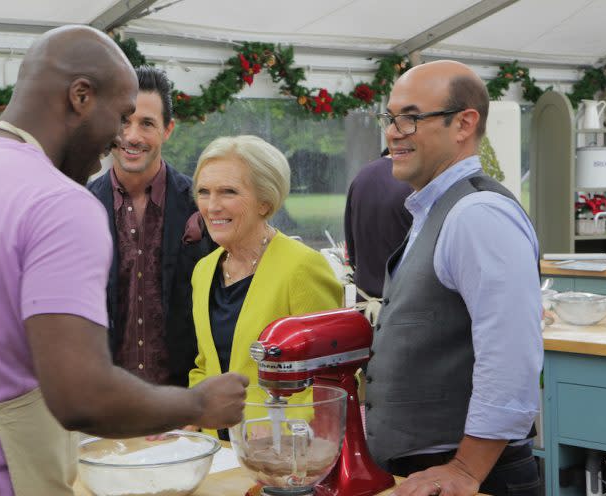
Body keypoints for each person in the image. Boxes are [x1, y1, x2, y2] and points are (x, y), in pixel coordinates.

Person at [0, 26, 247, 496]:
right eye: (119, 116)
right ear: (80, 97)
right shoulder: (60, 201)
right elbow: (82, 395)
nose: (119, 137)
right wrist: (198, 405)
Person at [365, 60, 543, 496]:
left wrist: (466, 468)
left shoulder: (478, 214)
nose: (393, 131)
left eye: (410, 117)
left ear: (463, 124)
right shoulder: (439, 210)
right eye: (390, 118)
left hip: (475, 478)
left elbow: (511, 355)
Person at [188, 135, 343, 438]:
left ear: (265, 202)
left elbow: (331, 378)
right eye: (203, 192)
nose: (212, 206)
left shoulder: (302, 267)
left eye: (228, 192)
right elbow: (205, 366)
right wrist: (190, 414)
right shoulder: (203, 271)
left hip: (284, 452)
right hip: (216, 454)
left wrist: (279, 430)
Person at [88, 66, 213, 386]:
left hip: (184, 404)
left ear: (168, 129)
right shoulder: (80, 207)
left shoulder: (202, 204)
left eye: (146, 123)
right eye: (123, 121)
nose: (132, 136)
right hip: (105, 403)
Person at [344, 149, 412, 304]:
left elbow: (351, 254)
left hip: (366, 308)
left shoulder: (362, 177)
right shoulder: (415, 180)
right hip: (404, 311)